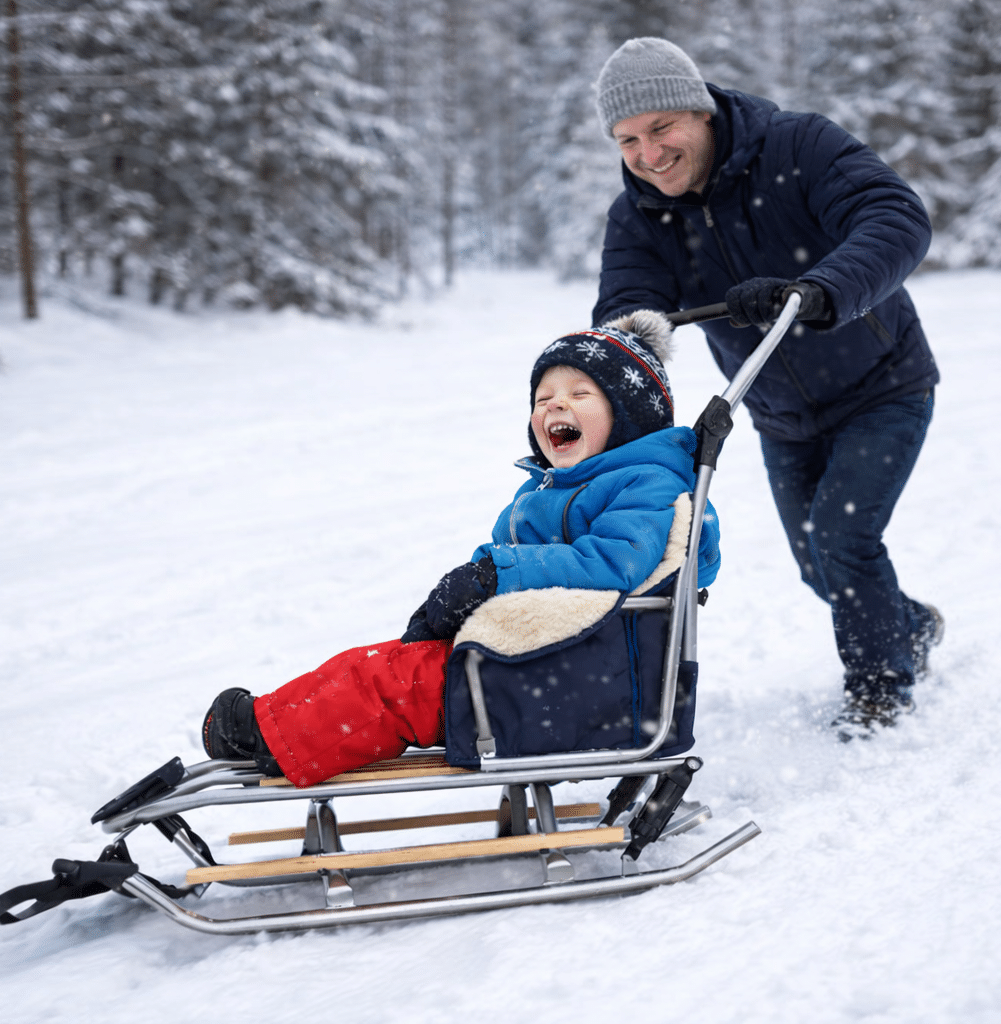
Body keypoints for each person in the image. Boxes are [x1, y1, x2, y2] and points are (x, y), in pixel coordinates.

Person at [201, 312, 721, 786]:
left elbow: (613, 563)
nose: (556, 404)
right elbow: (506, 557)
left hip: (583, 684)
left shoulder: (648, 485)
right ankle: (278, 719)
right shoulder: (547, 492)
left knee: (401, 686)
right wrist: (450, 606)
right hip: (541, 665)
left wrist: (494, 576)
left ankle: (276, 736)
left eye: (580, 394)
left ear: (629, 416)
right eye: (543, 398)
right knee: (395, 664)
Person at [590, 38, 942, 735]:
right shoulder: (639, 216)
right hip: (781, 414)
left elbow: (895, 217)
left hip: (883, 385)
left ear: (701, 111)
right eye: (628, 139)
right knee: (822, 568)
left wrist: (818, 290)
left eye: (662, 129)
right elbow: (625, 309)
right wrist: (618, 352)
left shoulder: (798, 146)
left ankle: (879, 688)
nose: (648, 153)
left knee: (844, 540)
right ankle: (910, 624)